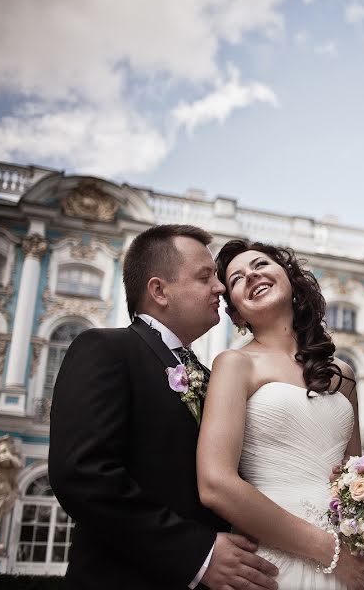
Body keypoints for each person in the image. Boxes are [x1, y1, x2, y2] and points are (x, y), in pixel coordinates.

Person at [49, 225, 279, 589]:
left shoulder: (208, 375)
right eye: (206, 277)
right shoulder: (105, 349)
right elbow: (83, 475)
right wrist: (197, 554)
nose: (221, 289)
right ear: (159, 290)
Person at [197, 240, 364, 590]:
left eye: (260, 264)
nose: (252, 275)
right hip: (276, 559)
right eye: (237, 278)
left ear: (291, 281)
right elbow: (216, 485)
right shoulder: (234, 364)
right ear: (236, 313)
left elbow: (354, 482)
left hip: (352, 562)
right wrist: (331, 552)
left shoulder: (341, 375)